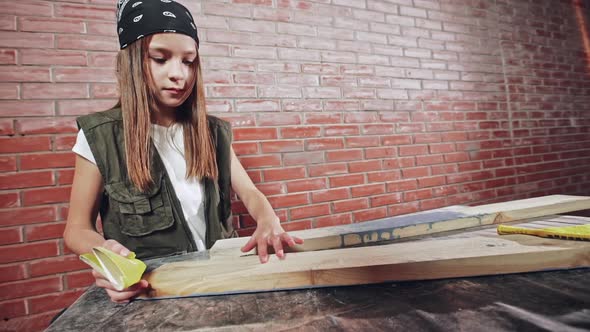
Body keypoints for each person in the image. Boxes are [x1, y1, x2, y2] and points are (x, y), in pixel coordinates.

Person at [63, 0, 303, 303]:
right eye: (160, 59)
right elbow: (76, 229)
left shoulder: (212, 132)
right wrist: (107, 257)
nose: (179, 74)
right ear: (132, 61)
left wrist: (268, 219)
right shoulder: (99, 136)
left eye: (188, 61)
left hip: (224, 286)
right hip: (155, 295)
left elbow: (250, 192)